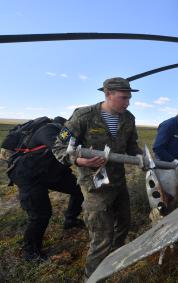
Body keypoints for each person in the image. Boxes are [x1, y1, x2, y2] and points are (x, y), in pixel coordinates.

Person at [52, 77, 143, 278]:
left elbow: (132, 146)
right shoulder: (82, 116)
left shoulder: (128, 119)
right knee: (102, 236)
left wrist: (141, 157)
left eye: (129, 98)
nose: (127, 102)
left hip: (118, 182)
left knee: (124, 224)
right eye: (123, 98)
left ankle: (112, 262)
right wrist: (79, 162)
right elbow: (59, 147)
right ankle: (92, 277)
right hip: (94, 185)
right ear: (108, 94)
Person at [7, 116, 84, 262]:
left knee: (79, 189)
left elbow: (71, 145)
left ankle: (70, 220)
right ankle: (30, 252)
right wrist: (82, 154)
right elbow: (60, 148)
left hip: (51, 171)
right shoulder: (48, 129)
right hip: (29, 175)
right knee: (40, 214)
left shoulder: (68, 132)